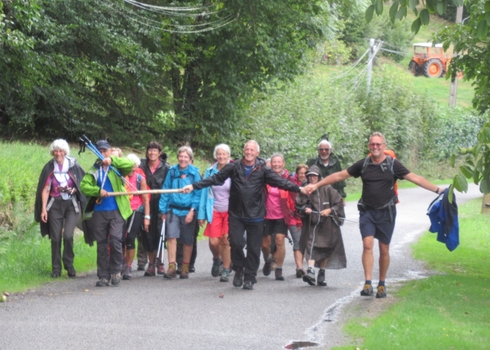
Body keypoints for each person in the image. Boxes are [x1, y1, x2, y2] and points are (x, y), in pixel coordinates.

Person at [305, 132, 444, 298]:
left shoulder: (392, 164)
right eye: (372, 144)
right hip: (367, 211)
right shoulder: (364, 164)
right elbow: (339, 175)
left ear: (384, 146)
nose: (375, 147)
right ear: (369, 146)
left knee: (384, 249)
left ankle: (382, 284)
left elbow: (414, 178)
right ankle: (368, 283)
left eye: (378, 144)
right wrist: (317, 185)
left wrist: (438, 189)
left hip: (387, 212)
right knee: (367, 244)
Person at [182, 140, 307, 290]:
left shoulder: (263, 169)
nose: (249, 152)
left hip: (256, 216)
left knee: (254, 248)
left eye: (252, 150)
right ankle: (239, 270)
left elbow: (280, 182)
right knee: (236, 243)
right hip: (236, 214)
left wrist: (299, 189)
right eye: (246, 149)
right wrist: (194, 186)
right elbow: (216, 178)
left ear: (257, 153)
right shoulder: (234, 167)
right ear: (243, 151)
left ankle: (250, 277)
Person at [80, 140, 134, 287]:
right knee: (102, 244)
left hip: (117, 210)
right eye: (100, 151)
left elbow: (130, 165)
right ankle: (103, 276)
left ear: (110, 151)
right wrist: (98, 191)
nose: (103, 153)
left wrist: (113, 160)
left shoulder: (116, 166)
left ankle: (116, 271)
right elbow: (84, 186)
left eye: (105, 151)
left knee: (116, 241)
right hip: (99, 212)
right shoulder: (94, 169)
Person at [35, 139, 86, 278]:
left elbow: (82, 184)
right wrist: (43, 209)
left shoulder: (74, 166)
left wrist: (73, 190)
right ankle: (56, 269)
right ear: (53, 152)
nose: (58, 153)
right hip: (54, 205)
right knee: (55, 238)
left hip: (71, 205)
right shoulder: (49, 167)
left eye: (61, 151)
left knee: (68, 236)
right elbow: (45, 189)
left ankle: (69, 265)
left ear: (65, 152)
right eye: (56, 151)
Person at [296, 165, 347, 287]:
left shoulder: (328, 188)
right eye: (310, 176)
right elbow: (298, 204)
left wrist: (330, 210)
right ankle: (311, 271)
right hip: (311, 224)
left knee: (326, 248)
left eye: (314, 175)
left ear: (319, 177)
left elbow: (339, 203)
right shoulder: (304, 189)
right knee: (311, 245)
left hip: (327, 226)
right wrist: (305, 209)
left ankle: (322, 273)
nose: (312, 178)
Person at [159, 146, 201, 279]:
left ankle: (185, 267)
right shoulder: (172, 172)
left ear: (190, 159)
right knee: (171, 237)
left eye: (186, 157)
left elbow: (198, 194)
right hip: (173, 209)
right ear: (178, 157)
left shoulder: (194, 173)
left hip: (188, 210)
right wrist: (163, 210)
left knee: (188, 240)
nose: (183, 159)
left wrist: (193, 211)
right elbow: (165, 191)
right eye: (181, 156)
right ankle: (171, 266)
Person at [198, 144, 232, 282]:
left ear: (228, 156)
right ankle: (216, 259)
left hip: (230, 210)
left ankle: (226, 269)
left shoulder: (233, 170)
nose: (221, 156)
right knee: (213, 242)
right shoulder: (210, 171)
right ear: (215, 156)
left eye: (224, 154)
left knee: (225, 240)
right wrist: (201, 215)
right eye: (219, 154)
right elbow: (204, 193)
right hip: (214, 209)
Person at [261, 153, 296, 281]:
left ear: (283, 164)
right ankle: (269, 259)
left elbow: (294, 196)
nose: (276, 164)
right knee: (265, 244)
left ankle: (279, 269)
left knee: (280, 241)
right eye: (274, 162)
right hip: (266, 215)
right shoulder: (265, 178)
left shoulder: (287, 179)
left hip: (282, 215)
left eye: (279, 162)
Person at [139, 141, 170, 276]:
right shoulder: (141, 165)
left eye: (155, 151)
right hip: (145, 203)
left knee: (160, 232)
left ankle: (160, 262)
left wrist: (165, 207)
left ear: (159, 153)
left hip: (161, 202)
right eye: (150, 150)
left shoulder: (166, 168)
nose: (152, 153)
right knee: (147, 233)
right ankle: (151, 263)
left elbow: (168, 186)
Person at [122, 154, 150, 280]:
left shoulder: (140, 178)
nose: (131, 168)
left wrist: (147, 217)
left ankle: (128, 266)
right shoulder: (121, 177)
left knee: (130, 237)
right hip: (122, 209)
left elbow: (145, 199)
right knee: (120, 238)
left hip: (136, 210)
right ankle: (121, 262)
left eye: (133, 166)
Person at [306, 139, 346, 204]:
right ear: (318, 151)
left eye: (326, 149)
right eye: (321, 149)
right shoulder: (312, 162)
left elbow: (340, 181)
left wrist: (342, 196)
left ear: (330, 150)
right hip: (316, 195)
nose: (324, 151)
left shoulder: (335, 162)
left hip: (333, 194)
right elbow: (306, 178)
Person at [290, 163, 308, 277]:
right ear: (296, 174)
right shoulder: (291, 185)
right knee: (297, 241)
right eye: (300, 173)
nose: (302, 175)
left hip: (307, 217)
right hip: (293, 217)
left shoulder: (312, 184)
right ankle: (299, 267)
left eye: (304, 173)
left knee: (306, 241)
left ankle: (310, 266)